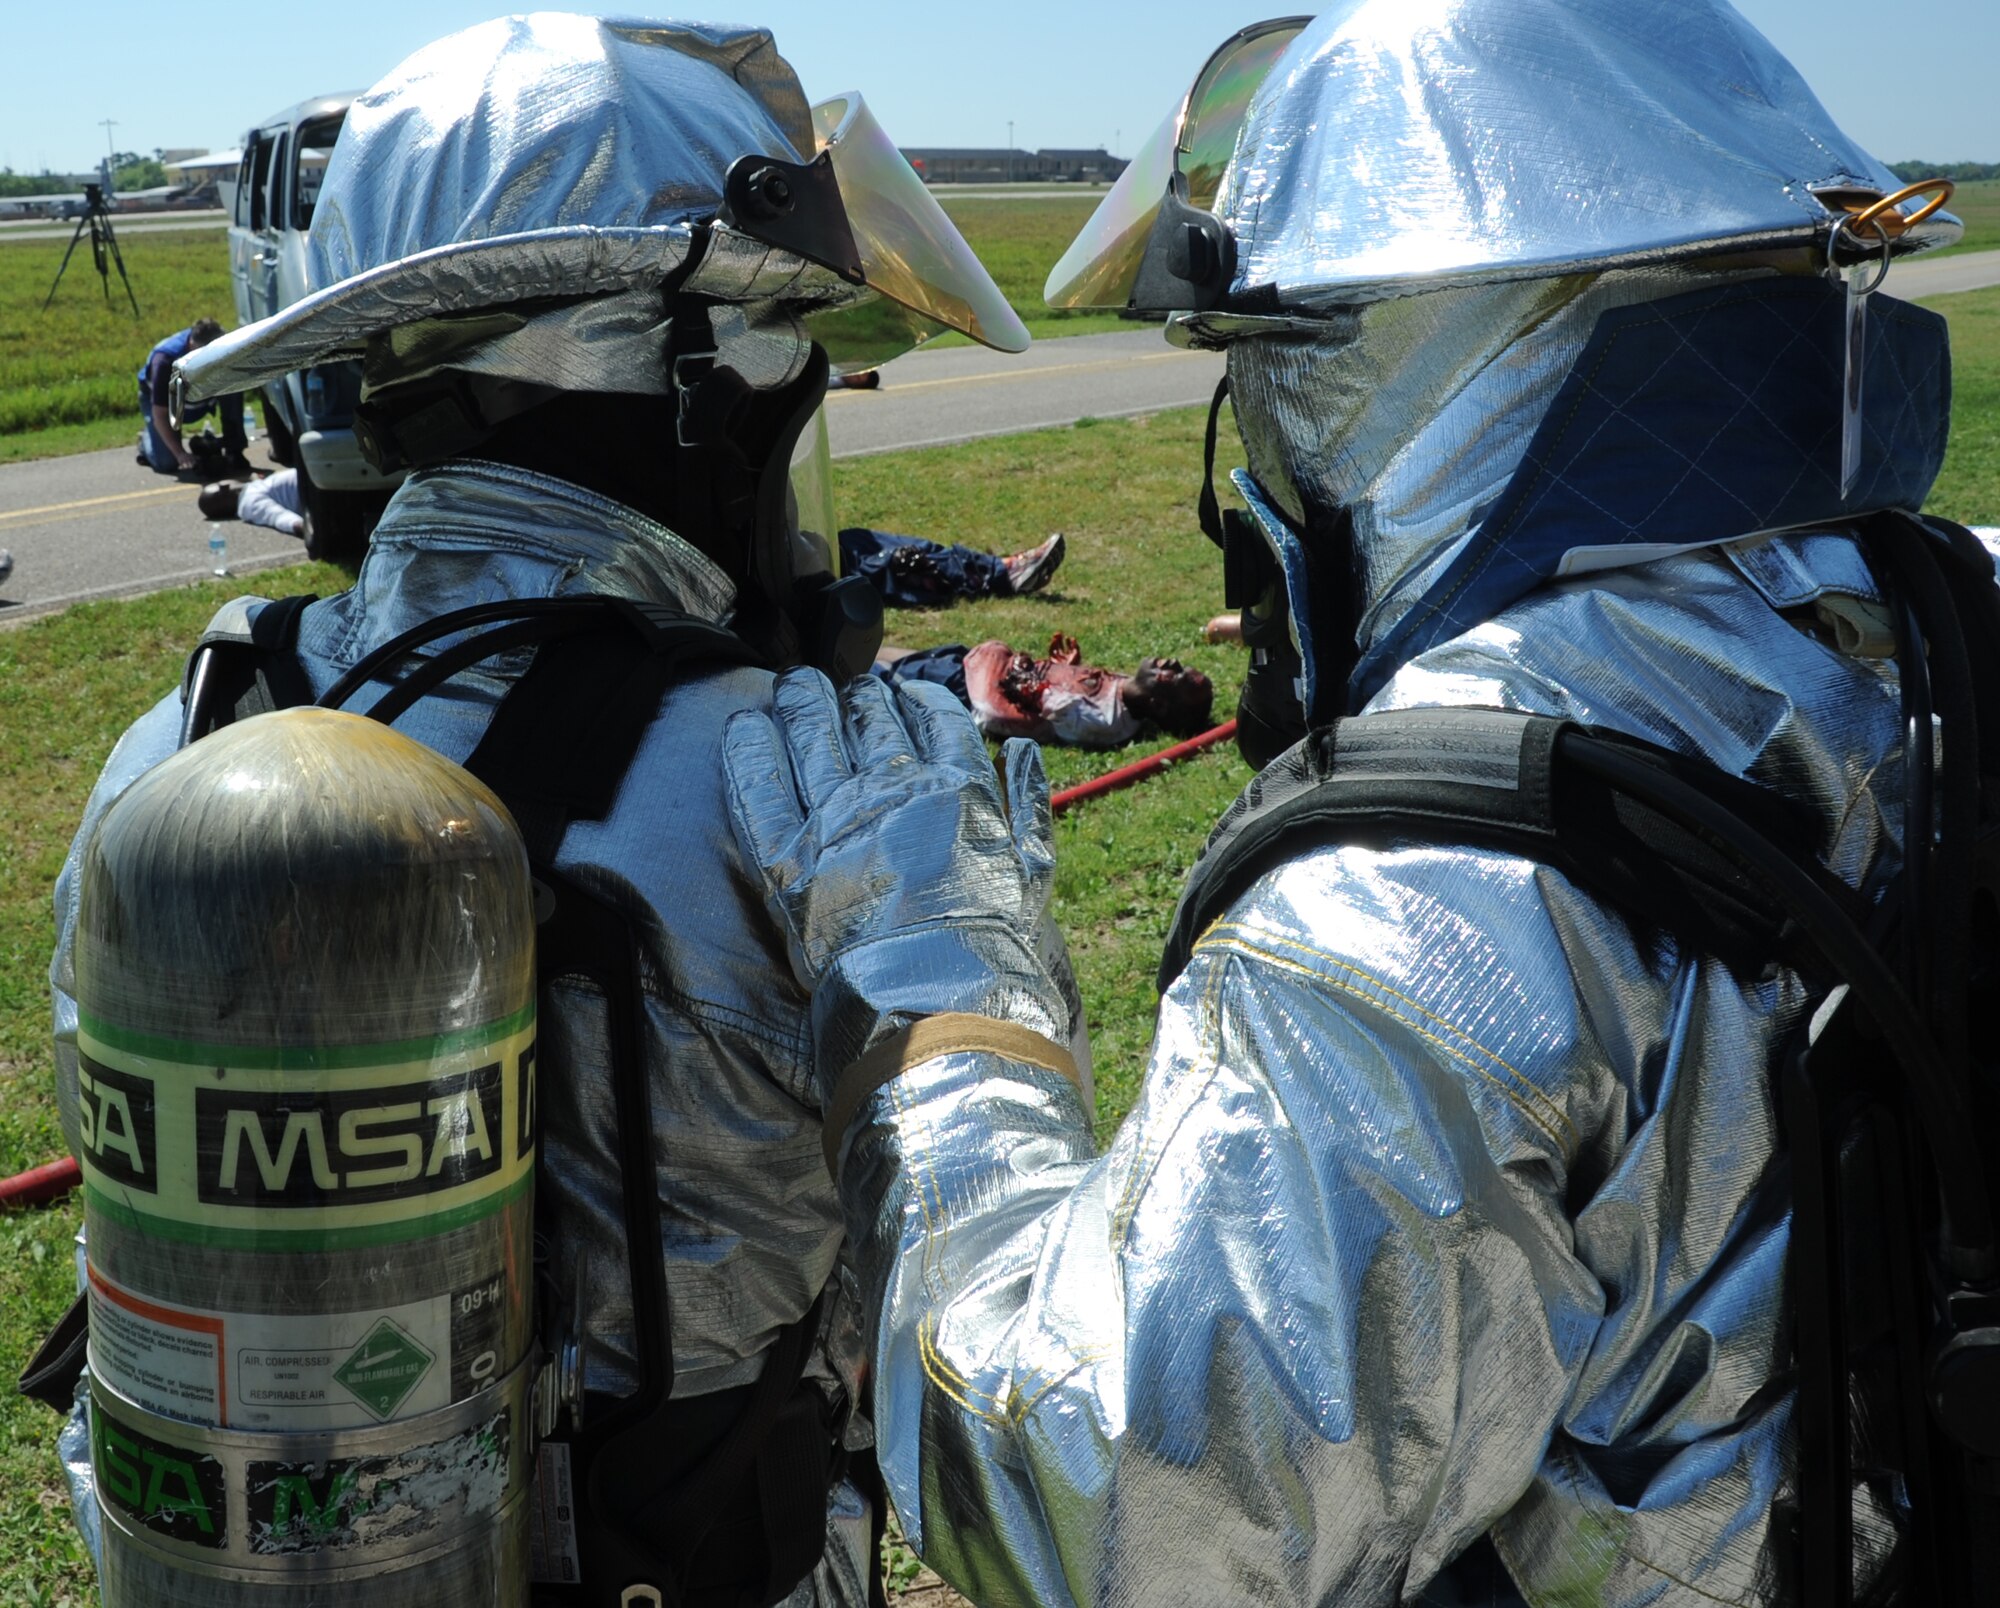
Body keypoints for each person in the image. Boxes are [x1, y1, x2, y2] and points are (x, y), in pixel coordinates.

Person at [719, 4, 1995, 1605]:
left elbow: (1113, 1523)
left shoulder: (1424, 900)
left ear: (1369, 365)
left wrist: (925, 939)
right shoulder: (1943, 614)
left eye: (1261, 377)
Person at [45, 16, 1052, 1607]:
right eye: (794, 360)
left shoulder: (176, 743)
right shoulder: (817, 775)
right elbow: (1026, 1383)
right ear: (692, 386)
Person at [876, 632, 1211, 747]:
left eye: (1175, 676)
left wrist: (1026, 670)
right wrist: (1067, 669)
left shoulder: (1103, 719)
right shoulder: (1127, 693)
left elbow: (1029, 691)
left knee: (883, 670)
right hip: (965, 671)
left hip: (961, 690)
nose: (1173, 662)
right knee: (897, 653)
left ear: (1158, 705)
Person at [838, 526, 1064, 607]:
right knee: (904, 562)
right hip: (828, 573)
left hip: (830, 546)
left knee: (917, 549)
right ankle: (1002, 573)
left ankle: (999, 568)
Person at [136, 317, 249, 477]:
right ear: (192, 346)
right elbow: (160, 414)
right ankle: (147, 440)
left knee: (234, 386)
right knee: (167, 463)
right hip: (165, 404)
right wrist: (181, 454)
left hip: (198, 396)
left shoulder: (224, 349)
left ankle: (234, 449)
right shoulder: (165, 361)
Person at [198, 467, 305, 538]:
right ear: (224, 487)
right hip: (312, 489)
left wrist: (254, 478)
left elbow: (257, 484)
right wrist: (304, 527)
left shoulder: (248, 491)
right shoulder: (250, 503)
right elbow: (278, 517)